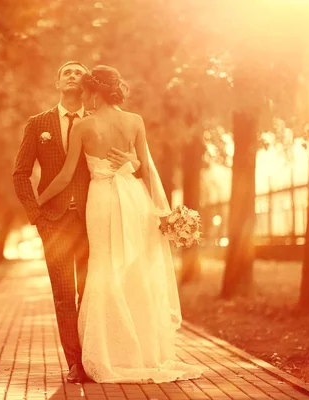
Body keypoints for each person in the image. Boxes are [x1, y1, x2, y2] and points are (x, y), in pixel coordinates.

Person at [36, 65, 204, 383]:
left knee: (104, 265)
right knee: (135, 268)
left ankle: (108, 353)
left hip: (101, 200)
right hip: (134, 197)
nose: (83, 96)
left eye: (86, 91)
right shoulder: (135, 121)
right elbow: (144, 166)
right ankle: (142, 352)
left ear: (96, 93)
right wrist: (132, 164)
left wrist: (39, 200)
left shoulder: (83, 127)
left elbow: (66, 175)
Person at [12, 61, 139, 383]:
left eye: (78, 72)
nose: (71, 75)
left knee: (90, 289)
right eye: (66, 72)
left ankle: (92, 357)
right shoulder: (38, 123)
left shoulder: (98, 122)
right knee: (63, 293)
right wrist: (35, 214)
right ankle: (74, 363)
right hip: (52, 221)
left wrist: (132, 161)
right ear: (57, 83)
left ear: (87, 86)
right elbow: (21, 173)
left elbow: (132, 158)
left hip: (92, 216)